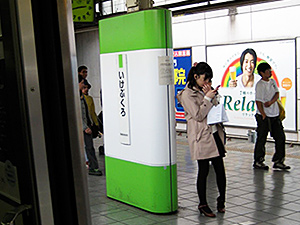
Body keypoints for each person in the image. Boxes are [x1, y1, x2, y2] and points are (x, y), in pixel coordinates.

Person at [177, 62, 226, 218]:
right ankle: (203, 204)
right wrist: (207, 98)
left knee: (220, 170)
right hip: (201, 136)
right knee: (203, 171)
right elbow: (198, 115)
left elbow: (215, 109)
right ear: (196, 76)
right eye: (205, 79)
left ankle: (221, 200)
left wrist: (214, 96)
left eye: (210, 80)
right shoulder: (187, 94)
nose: (208, 83)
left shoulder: (206, 90)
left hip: (214, 134)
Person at [253, 62, 290, 170]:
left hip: (275, 115)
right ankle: (258, 160)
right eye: (268, 70)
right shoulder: (260, 85)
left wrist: (271, 102)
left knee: (280, 137)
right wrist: (263, 114)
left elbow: (277, 94)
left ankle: (279, 160)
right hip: (263, 116)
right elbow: (258, 102)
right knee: (262, 139)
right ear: (262, 73)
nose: (270, 72)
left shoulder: (272, 82)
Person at [79, 75, 102, 176]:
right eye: (83, 84)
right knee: (88, 147)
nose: (85, 86)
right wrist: (85, 127)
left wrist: (93, 124)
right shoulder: (75, 97)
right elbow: (77, 113)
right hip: (82, 127)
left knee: (89, 147)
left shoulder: (84, 97)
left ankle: (93, 167)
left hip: (87, 125)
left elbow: (89, 112)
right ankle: (92, 167)